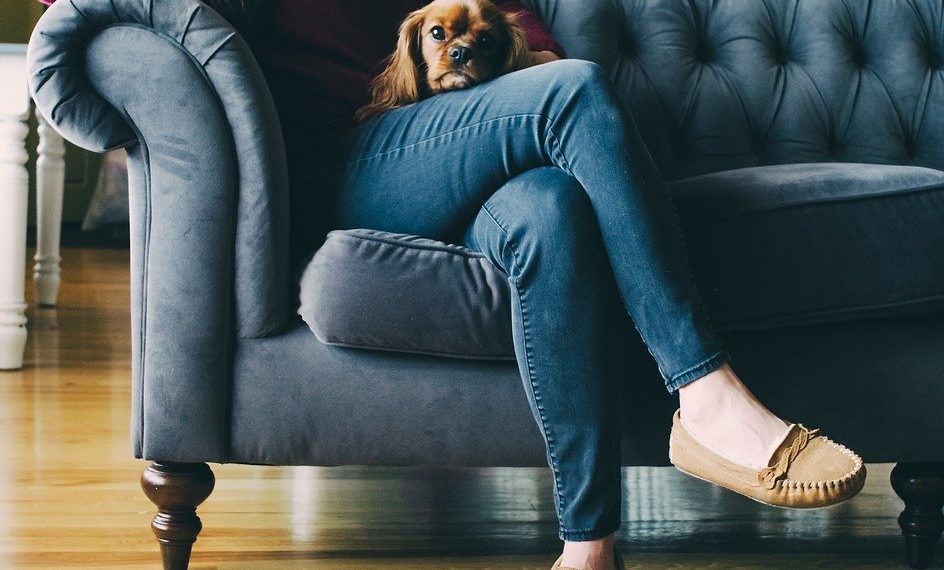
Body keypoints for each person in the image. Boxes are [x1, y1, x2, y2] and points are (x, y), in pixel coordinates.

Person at [241, 2, 864, 570]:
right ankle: (707, 395)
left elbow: (539, 54)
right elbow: (560, 84)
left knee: (553, 208)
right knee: (576, 90)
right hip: (349, 159)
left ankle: (588, 547)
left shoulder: (482, 20)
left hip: (473, 158)